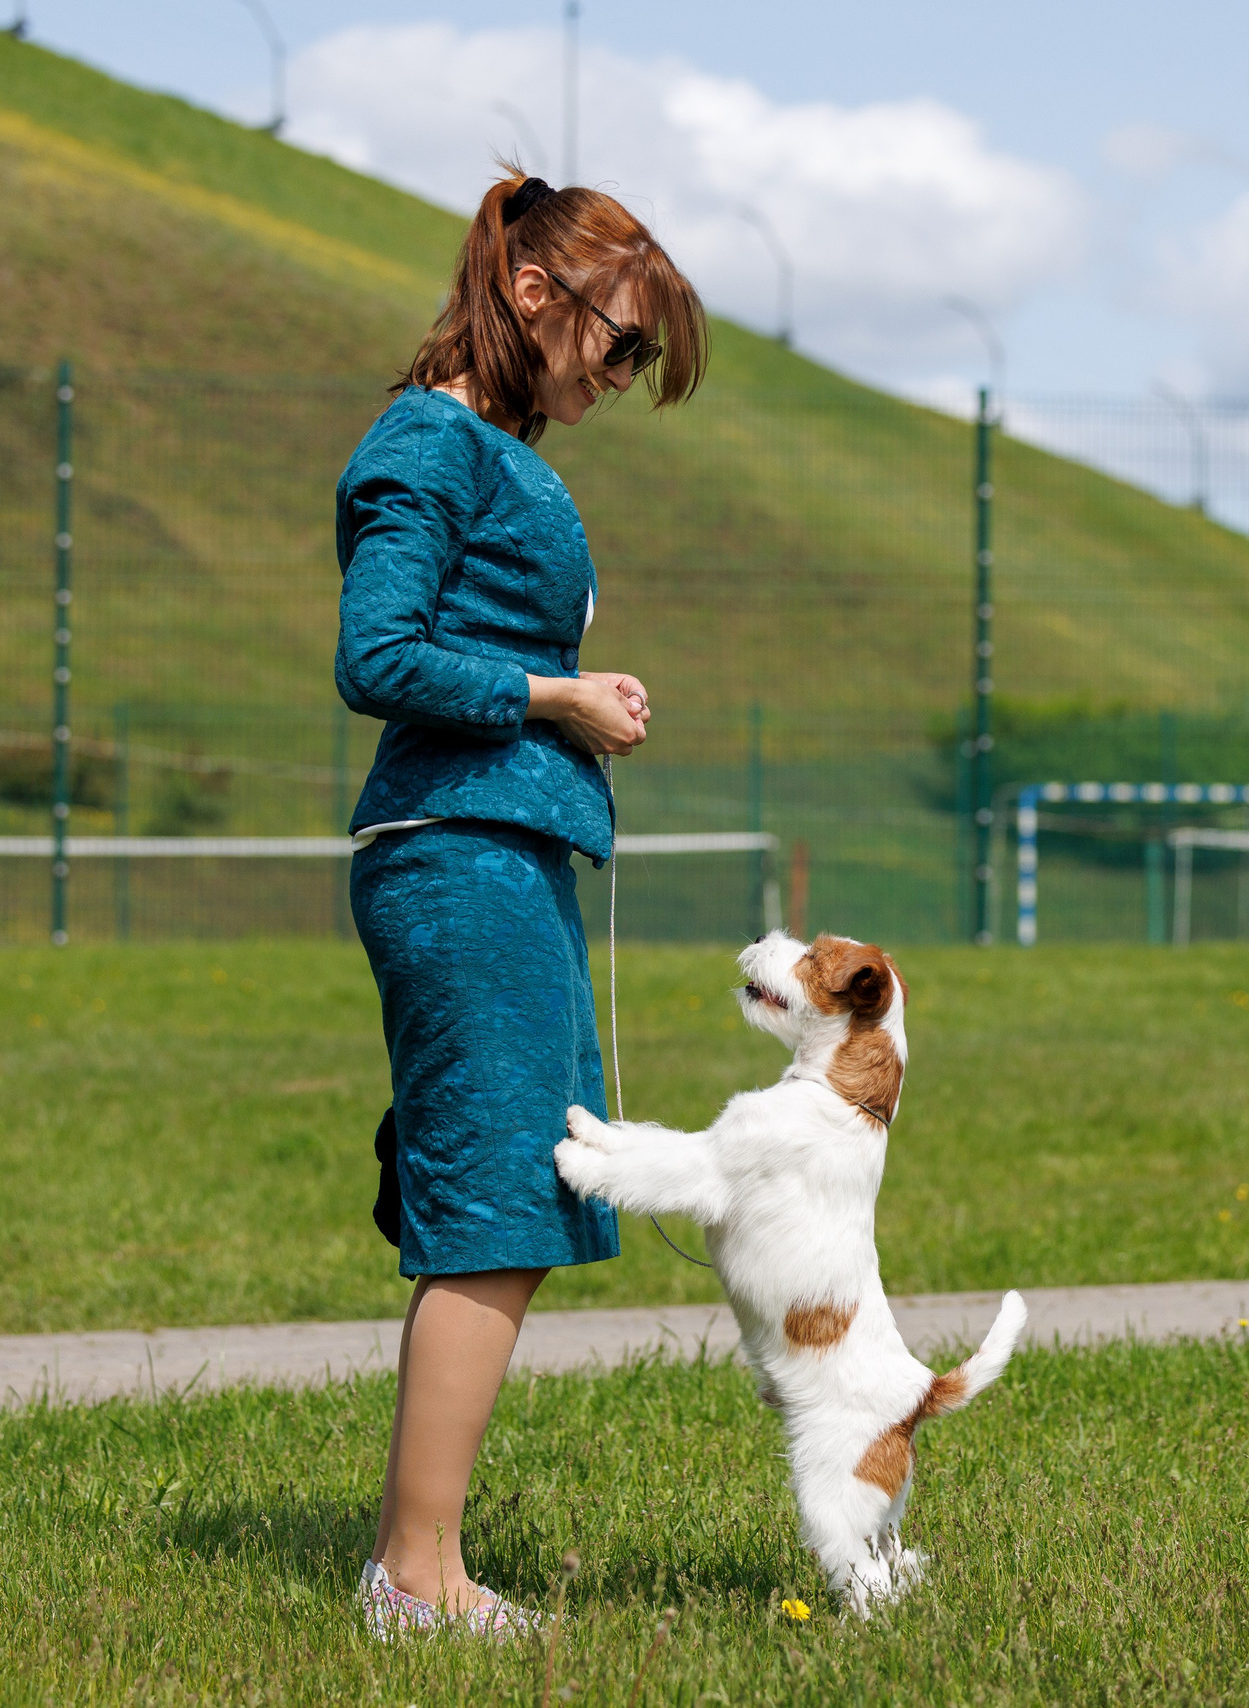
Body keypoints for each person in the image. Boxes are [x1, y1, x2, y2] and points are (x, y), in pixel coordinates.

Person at [335, 167, 707, 1638]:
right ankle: (412, 1579)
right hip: (460, 853)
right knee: (492, 1213)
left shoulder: (488, 448)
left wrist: (563, 700)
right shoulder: (427, 443)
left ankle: (416, 1563)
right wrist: (553, 694)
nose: (620, 377)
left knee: (516, 1205)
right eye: (620, 344)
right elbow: (378, 656)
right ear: (536, 294)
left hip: (510, 851)